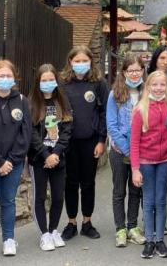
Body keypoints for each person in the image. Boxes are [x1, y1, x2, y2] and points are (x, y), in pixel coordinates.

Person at [0, 60, 31, 260]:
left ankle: (9, 239)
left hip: (14, 163)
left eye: (9, 76)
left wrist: (11, 160)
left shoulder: (21, 100)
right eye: (1, 76)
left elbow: (25, 132)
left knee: (9, 200)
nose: (5, 79)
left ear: (14, 78)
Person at [59, 46, 109, 241]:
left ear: (91, 62)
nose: (81, 64)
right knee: (70, 183)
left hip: (91, 141)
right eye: (77, 61)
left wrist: (101, 140)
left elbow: (105, 112)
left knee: (88, 183)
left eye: (84, 61)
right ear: (70, 62)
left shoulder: (99, 83)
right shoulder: (62, 82)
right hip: (68, 142)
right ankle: (71, 222)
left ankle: (87, 222)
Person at [27, 64, 73, 251]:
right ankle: (44, 234)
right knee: (39, 197)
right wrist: (46, 154)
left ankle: (54, 230)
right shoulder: (31, 103)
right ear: (38, 82)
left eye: (50, 80)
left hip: (58, 157)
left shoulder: (62, 102)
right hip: (39, 159)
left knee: (57, 196)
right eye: (43, 80)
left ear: (56, 81)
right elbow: (31, 133)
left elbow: (68, 130)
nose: (47, 83)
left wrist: (56, 153)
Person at [130, 70, 167, 259]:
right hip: (146, 162)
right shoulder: (140, 109)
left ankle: (159, 240)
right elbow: (134, 142)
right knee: (148, 201)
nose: (158, 88)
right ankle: (149, 239)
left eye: (162, 85)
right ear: (148, 86)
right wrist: (135, 169)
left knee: (161, 200)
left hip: (165, 160)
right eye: (154, 85)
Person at [106, 54, 147, 248]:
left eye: (137, 70)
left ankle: (133, 226)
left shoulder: (147, 93)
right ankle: (120, 228)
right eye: (130, 70)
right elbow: (112, 125)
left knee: (136, 189)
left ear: (143, 71)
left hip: (141, 150)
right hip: (119, 150)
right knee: (119, 190)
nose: (134, 74)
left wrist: (137, 150)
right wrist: (127, 149)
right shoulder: (115, 94)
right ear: (124, 73)